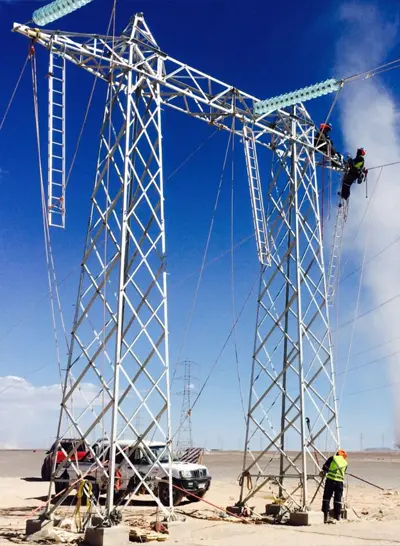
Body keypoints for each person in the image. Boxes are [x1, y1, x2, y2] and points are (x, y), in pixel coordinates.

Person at [320, 449, 348, 523]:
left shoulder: (333, 458)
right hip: (339, 483)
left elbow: (325, 468)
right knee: (338, 499)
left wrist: (326, 471)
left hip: (330, 481)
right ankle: (337, 516)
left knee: (326, 498)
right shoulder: (345, 463)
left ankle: (325, 515)